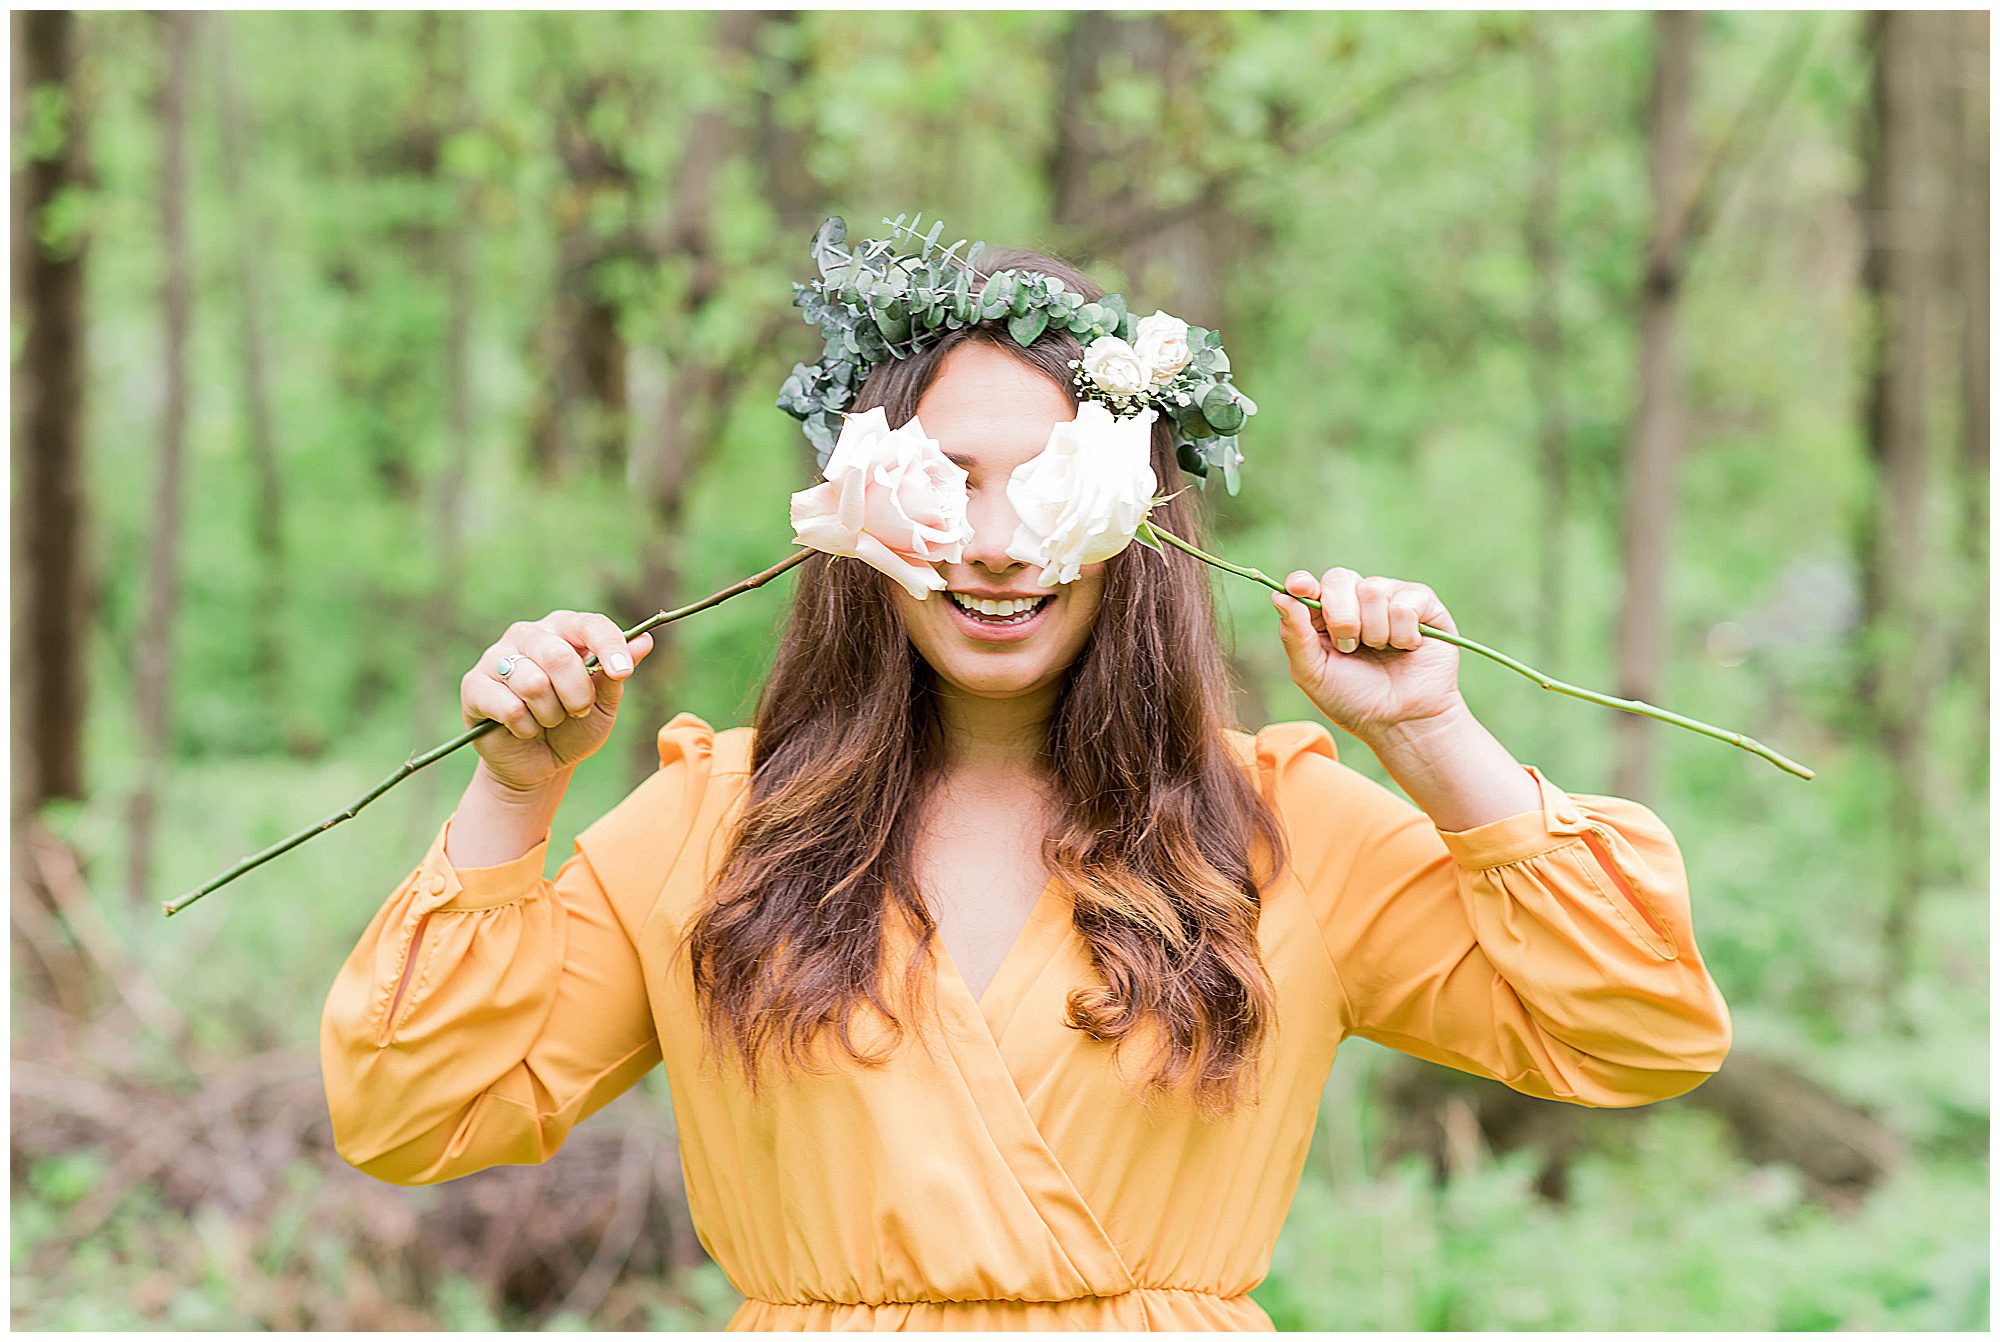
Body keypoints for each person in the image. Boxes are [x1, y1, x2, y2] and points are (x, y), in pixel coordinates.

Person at [320, 243, 1732, 1332]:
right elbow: (412, 1111)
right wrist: (514, 793)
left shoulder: (1281, 832)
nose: (997, 546)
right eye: (949, 481)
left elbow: (1637, 1028)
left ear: (1141, 512)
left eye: (1047, 483)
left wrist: (1428, 733)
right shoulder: (712, 827)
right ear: (862, 513)